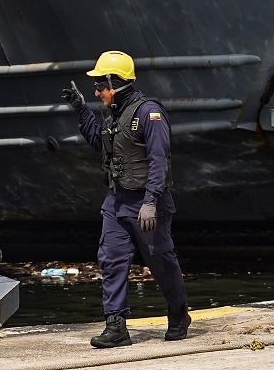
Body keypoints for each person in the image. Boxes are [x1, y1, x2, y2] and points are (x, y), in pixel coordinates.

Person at [61, 50, 190, 348]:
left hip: (147, 204)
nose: (96, 92)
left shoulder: (148, 113)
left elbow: (159, 160)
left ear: (114, 82)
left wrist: (151, 201)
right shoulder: (114, 115)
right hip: (116, 202)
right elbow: (99, 143)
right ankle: (116, 326)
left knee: (161, 261)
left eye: (99, 87)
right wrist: (81, 109)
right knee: (112, 260)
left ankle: (178, 313)